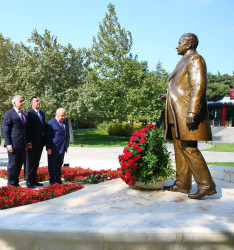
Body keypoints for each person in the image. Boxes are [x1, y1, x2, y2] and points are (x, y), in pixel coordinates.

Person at [160, 33, 216, 199]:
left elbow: (198, 86)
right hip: (177, 112)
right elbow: (181, 88)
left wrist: (193, 111)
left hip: (186, 112)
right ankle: (182, 184)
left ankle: (207, 185)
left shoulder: (195, 59)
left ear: (189, 44)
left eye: (179, 43)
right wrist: (168, 95)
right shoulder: (184, 60)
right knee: (180, 148)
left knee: (189, 148)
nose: (176, 46)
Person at [3, 95, 26, 186]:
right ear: (14, 103)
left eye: (22, 101)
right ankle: (11, 183)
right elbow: (6, 129)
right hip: (13, 144)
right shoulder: (9, 113)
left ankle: (16, 182)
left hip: (22, 144)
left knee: (19, 164)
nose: (22, 103)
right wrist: (8, 144)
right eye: (20, 101)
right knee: (12, 165)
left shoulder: (22, 114)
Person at [24, 96, 46, 188]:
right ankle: (28, 180)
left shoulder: (42, 113)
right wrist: (28, 142)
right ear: (31, 103)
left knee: (36, 162)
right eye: (36, 101)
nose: (38, 102)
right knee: (29, 162)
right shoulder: (28, 113)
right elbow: (26, 129)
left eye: (39, 100)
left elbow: (43, 127)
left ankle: (34, 179)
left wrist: (44, 140)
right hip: (31, 143)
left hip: (40, 142)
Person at [46, 108, 69, 185]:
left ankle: (58, 179)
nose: (63, 117)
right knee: (52, 165)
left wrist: (67, 145)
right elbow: (48, 137)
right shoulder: (51, 123)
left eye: (64, 116)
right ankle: (52, 180)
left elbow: (66, 134)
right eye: (62, 116)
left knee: (59, 164)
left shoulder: (65, 122)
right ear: (57, 114)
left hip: (62, 147)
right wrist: (48, 148)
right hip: (53, 148)